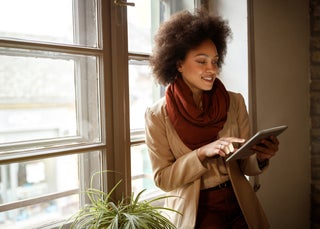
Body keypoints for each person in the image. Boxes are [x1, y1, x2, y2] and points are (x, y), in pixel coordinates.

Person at [145, 8, 279, 229]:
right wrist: (201, 153)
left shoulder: (234, 102)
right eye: (202, 61)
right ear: (178, 64)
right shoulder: (157, 115)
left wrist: (262, 157)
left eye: (215, 61)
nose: (212, 69)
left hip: (239, 203)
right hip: (197, 210)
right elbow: (163, 179)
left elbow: (245, 164)